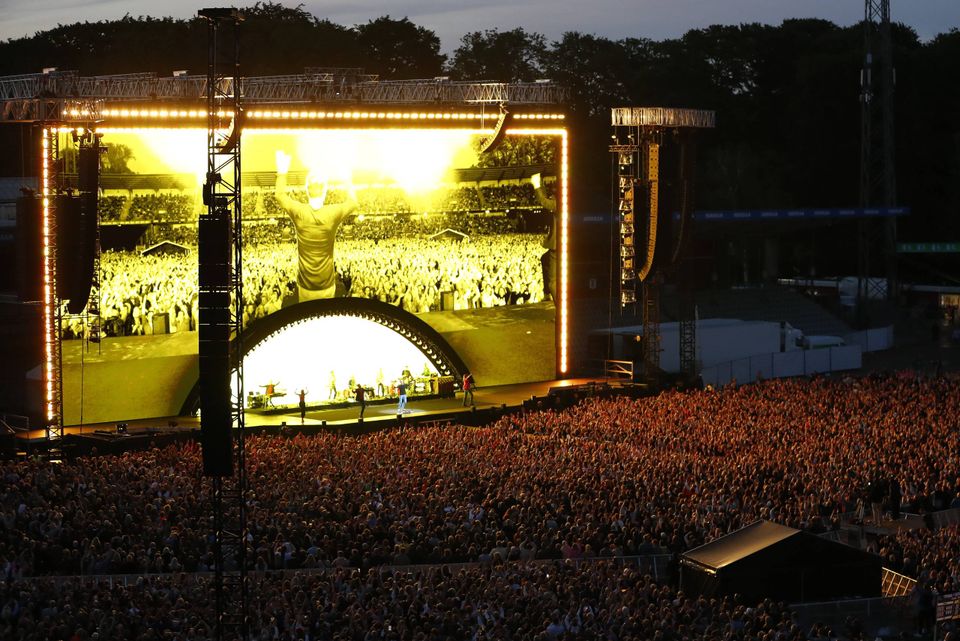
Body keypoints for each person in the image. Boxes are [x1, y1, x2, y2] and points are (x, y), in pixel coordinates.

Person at [274, 150, 357, 301]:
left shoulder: (299, 211)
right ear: (324, 191)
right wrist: (347, 178)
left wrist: (282, 172)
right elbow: (353, 203)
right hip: (327, 285)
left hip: (305, 287)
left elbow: (279, 195)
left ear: (307, 191)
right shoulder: (333, 213)